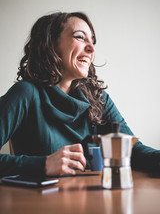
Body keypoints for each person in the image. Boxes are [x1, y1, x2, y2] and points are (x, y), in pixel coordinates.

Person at [0, 12, 160, 178]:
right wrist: (44, 164)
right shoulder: (25, 93)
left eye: (92, 41)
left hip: (91, 200)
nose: (91, 48)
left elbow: (132, 150)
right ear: (51, 44)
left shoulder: (98, 98)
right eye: (80, 37)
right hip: (38, 201)